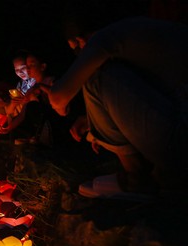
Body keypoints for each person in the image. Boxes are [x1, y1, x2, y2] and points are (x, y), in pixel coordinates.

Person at [42, 4, 188, 199]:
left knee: (95, 75)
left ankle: (137, 178)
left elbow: (58, 96)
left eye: (77, 49)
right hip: (179, 134)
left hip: (181, 147)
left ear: (79, 40)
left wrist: (59, 102)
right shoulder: (138, 34)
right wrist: (95, 120)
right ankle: (165, 176)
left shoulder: (107, 37)